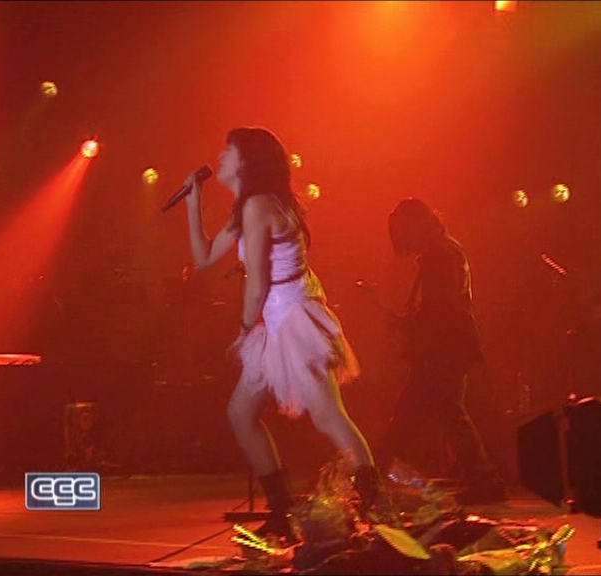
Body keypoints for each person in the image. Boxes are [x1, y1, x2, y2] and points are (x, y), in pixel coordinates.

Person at [181, 126, 382, 542]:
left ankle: (374, 505)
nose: (220, 157)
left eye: (229, 150)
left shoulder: (258, 206)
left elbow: (257, 282)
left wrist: (244, 330)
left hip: (292, 320)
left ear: (248, 161)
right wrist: (193, 201)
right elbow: (204, 258)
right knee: (242, 414)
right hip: (277, 320)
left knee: (327, 415)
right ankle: (282, 510)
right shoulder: (251, 206)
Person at [374, 197, 506, 505]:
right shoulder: (448, 250)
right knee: (444, 411)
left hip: (443, 348)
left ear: (415, 226)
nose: (402, 241)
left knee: (418, 413)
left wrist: (410, 325)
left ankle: (373, 474)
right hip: (452, 346)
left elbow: (440, 310)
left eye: (403, 232)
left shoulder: (438, 256)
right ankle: (483, 479)